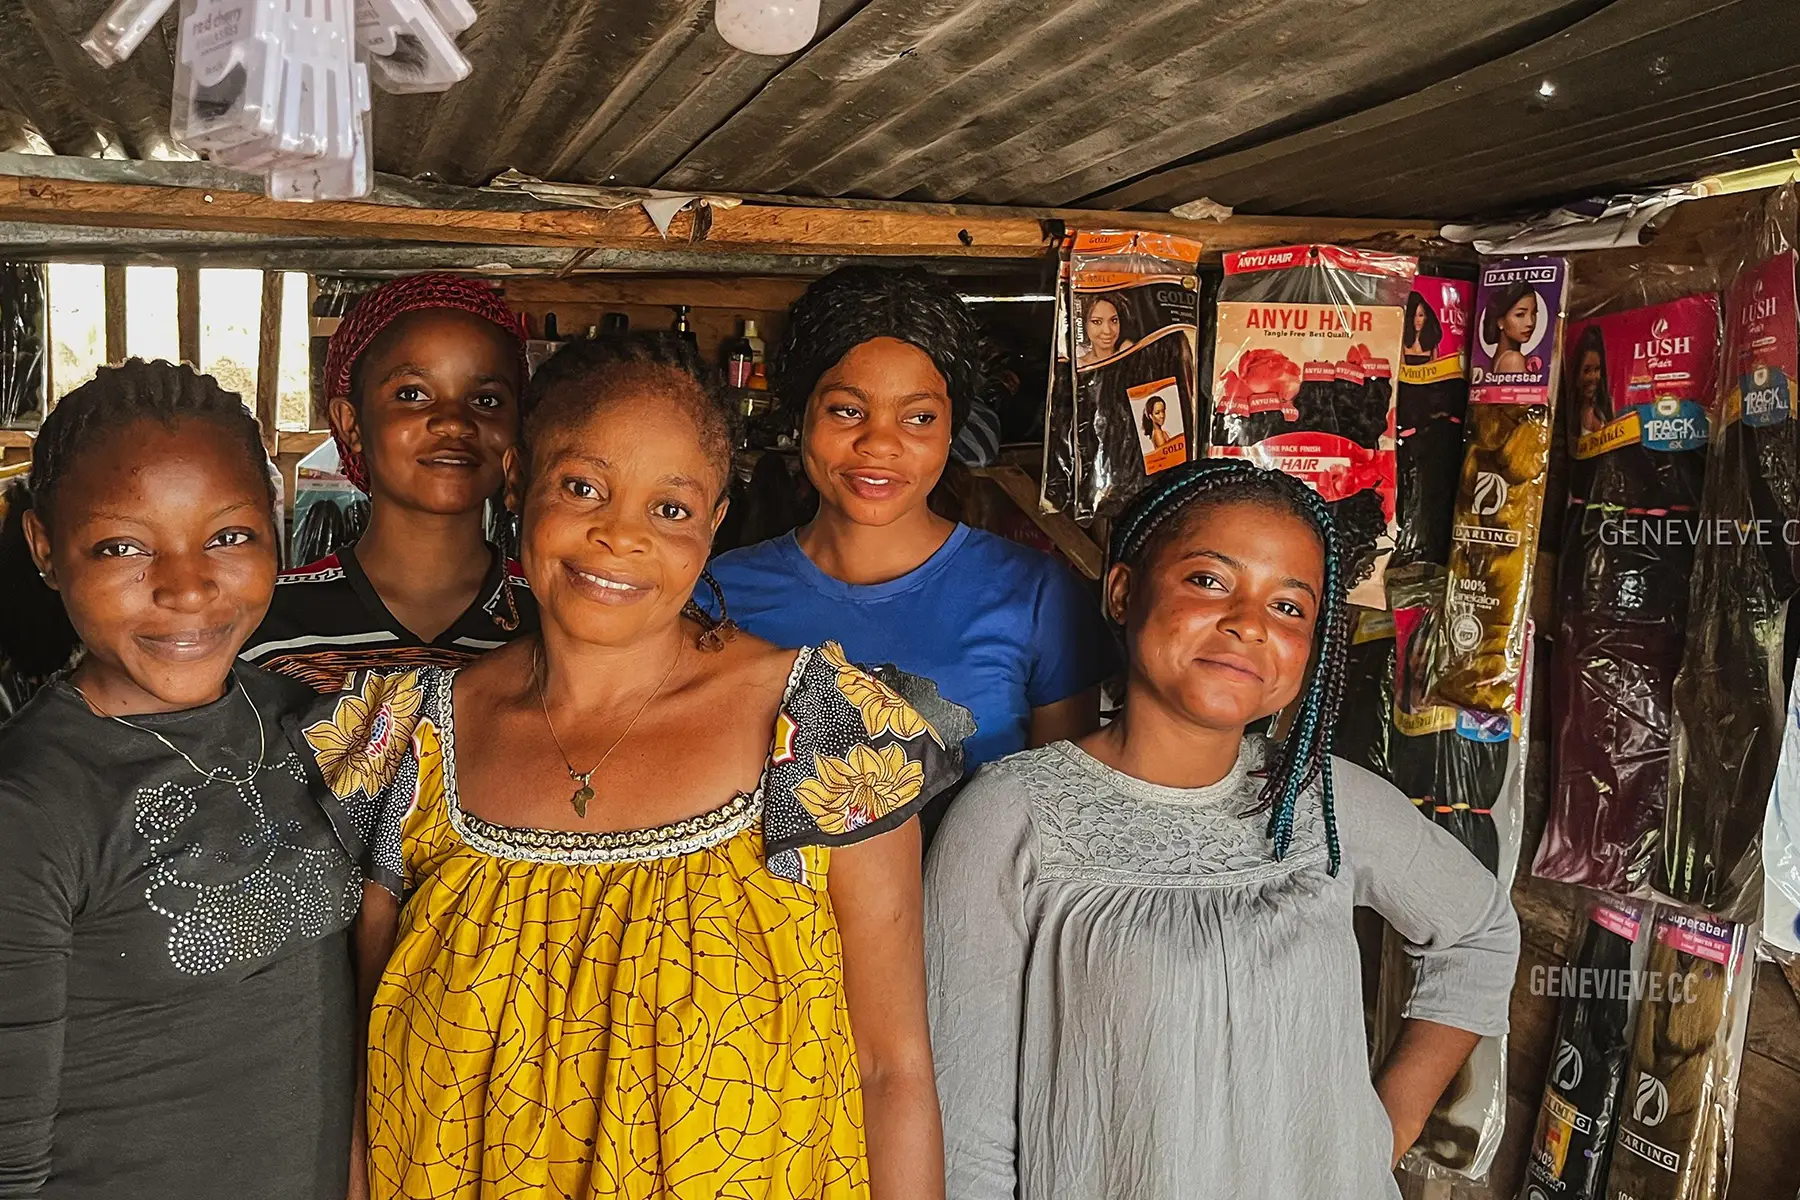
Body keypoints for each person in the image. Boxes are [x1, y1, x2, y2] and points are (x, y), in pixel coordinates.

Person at [308, 334, 956, 1200]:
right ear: (517, 482)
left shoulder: (824, 733)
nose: (618, 536)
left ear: (716, 522)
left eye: (671, 509)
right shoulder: (412, 742)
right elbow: (365, 1079)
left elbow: (892, 1068)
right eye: (583, 488)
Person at [926, 460, 1520, 1200]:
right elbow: (968, 1138)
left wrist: (1381, 1129)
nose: (1248, 624)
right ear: (1123, 590)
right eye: (1208, 580)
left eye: (1290, 607)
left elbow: (1481, 932)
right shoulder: (1011, 817)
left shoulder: (1324, 801)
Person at [0, 361, 362, 1200]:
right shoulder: (31, 809)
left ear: (277, 521)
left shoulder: (308, 728)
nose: (187, 586)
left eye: (228, 536)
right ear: (45, 548)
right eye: (124, 547)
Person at [705, 268, 1115, 828]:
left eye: (919, 418)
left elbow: (1065, 826)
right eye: (847, 410)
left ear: (952, 430)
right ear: (799, 415)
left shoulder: (1039, 597)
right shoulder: (717, 594)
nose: (879, 443)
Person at [241, 273, 537, 691]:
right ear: (351, 424)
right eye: (412, 394)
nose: (453, 421)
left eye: (486, 399)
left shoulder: (555, 617)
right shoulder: (265, 623)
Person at [1485, 283, 1539, 375]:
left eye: (1533, 313)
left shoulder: (1499, 357)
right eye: (1520, 314)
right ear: (1500, 321)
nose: (1530, 322)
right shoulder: (1514, 359)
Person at [1571, 325, 1611, 435]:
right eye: (1586, 370)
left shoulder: (1604, 407)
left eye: (1597, 369)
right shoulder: (1567, 415)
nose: (1593, 377)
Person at [1078, 293, 1135, 366]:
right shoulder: (1079, 365)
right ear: (1084, 324)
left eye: (1113, 320)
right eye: (1097, 322)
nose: (1107, 331)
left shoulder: (1133, 357)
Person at [1402, 290, 1443, 366]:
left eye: (1421, 315)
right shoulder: (1402, 343)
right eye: (1414, 316)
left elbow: (1436, 370)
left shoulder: (1432, 345)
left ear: (1426, 317)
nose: (1417, 320)